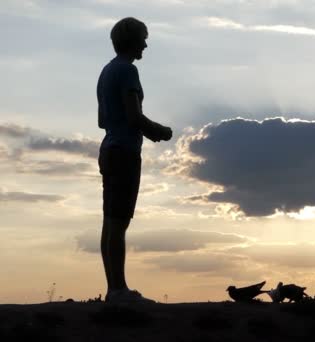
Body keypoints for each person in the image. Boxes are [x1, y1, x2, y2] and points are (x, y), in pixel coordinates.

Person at [97, 17, 172, 303]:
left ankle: (115, 287)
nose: (146, 43)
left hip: (109, 148)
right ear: (131, 40)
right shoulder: (128, 71)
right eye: (143, 37)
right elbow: (133, 115)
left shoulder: (107, 71)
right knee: (118, 222)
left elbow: (106, 118)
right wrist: (159, 132)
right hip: (124, 152)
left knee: (110, 221)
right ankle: (118, 291)